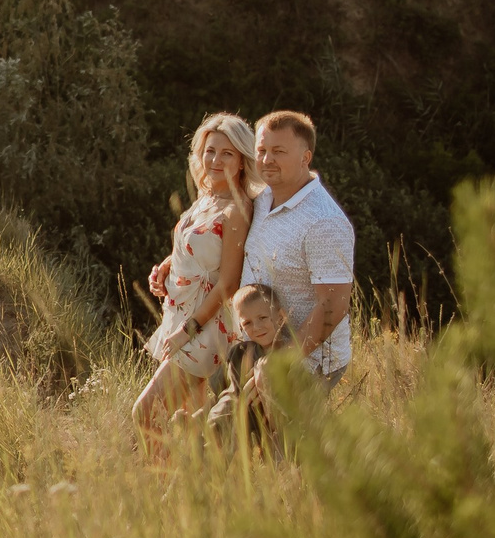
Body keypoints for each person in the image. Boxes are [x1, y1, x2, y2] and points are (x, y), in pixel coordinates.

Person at [132, 113, 258, 450]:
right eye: (210, 151)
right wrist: (166, 266)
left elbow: (228, 283)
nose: (216, 160)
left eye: (227, 153)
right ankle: (182, 493)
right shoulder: (206, 196)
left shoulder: (236, 211)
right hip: (180, 313)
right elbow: (196, 245)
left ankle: (161, 486)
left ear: (243, 161)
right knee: (185, 424)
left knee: (146, 412)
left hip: (204, 328)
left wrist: (187, 330)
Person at [242, 110, 355, 390]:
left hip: (308, 361)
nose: (267, 160)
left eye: (279, 151)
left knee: (286, 435)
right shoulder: (262, 197)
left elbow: (333, 305)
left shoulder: (324, 221)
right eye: (262, 150)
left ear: (305, 158)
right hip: (259, 350)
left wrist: (285, 360)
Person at [206, 282, 291, 451]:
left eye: (263, 318)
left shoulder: (289, 356)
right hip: (235, 424)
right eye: (248, 323)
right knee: (221, 417)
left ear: (280, 317)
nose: (257, 327)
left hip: (274, 430)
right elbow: (222, 391)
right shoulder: (241, 352)